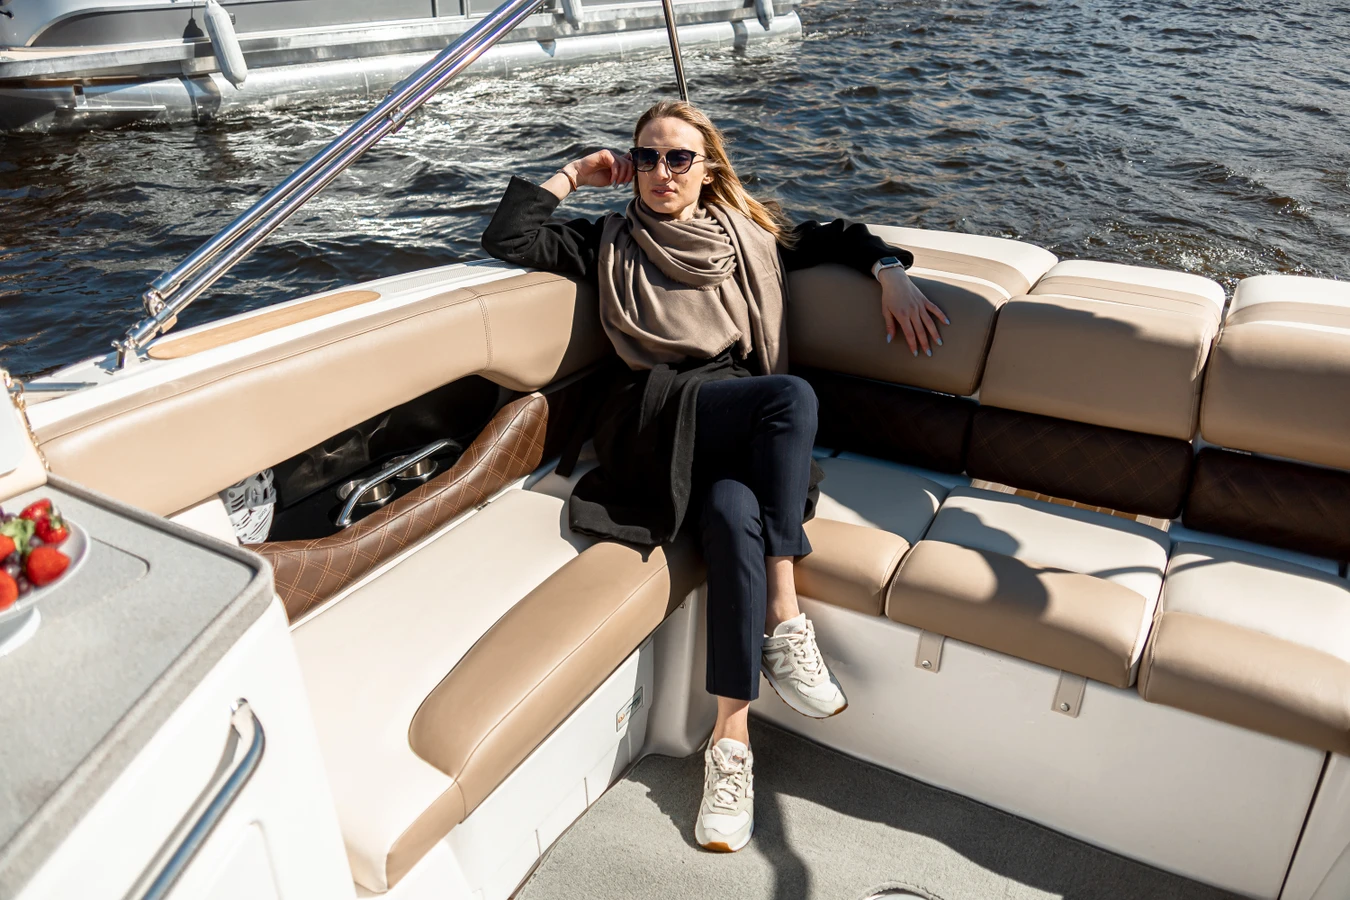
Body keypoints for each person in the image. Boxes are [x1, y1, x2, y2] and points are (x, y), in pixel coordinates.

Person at [481, 100, 946, 853]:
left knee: (734, 515)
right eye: (647, 156)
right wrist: (575, 173)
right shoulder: (606, 239)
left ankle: (731, 744)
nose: (661, 172)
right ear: (631, 165)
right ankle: (785, 618)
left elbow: (841, 235)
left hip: (736, 407)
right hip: (655, 412)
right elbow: (508, 236)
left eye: (679, 158)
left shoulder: (747, 235)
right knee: (791, 399)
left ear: (707, 168)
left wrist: (890, 273)